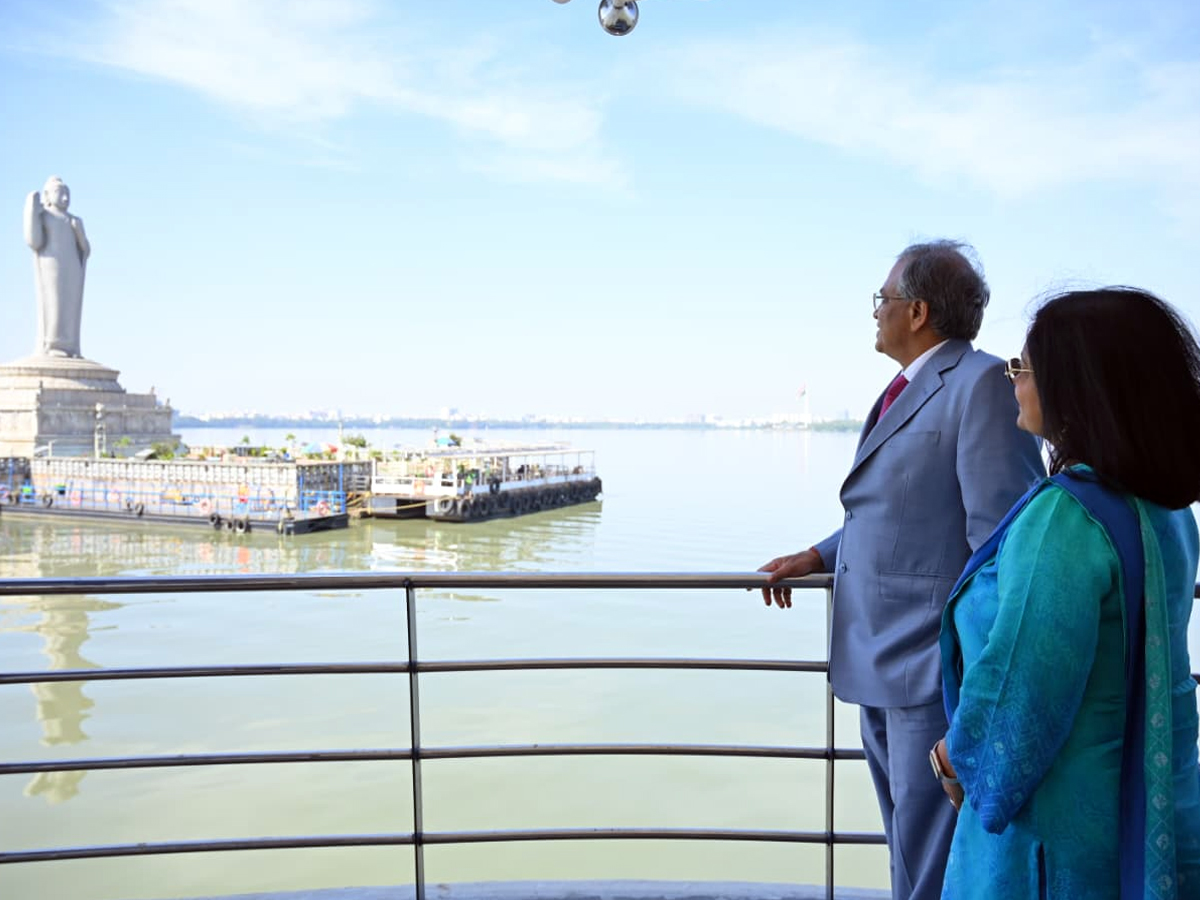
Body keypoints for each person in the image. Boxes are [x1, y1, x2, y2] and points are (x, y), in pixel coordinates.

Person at [758, 240, 1045, 900]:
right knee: (905, 847)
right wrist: (819, 556)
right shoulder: (907, 388)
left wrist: (977, 681)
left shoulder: (978, 386)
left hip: (931, 670)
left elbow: (1001, 542)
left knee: (933, 856)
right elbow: (897, 506)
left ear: (916, 311)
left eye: (881, 300)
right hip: (878, 657)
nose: (875, 313)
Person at [933, 288, 1200, 899]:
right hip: (1145, 804)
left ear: (1075, 387)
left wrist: (951, 759)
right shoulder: (1166, 509)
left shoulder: (1065, 519)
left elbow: (1019, 690)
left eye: (1022, 367)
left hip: (1058, 840)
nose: (1013, 381)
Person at [24, 175, 90, 358]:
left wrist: (79, 233)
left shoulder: (75, 221)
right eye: (60, 193)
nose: (65, 198)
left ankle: (70, 346)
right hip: (51, 265)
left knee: (70, 305)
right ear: (48, 194)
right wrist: (31, 210)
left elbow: (86, 249)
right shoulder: (45, 216)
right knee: (53, 302)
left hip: (72, 267)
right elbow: (34, 241)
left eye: (67, 194)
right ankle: (52, 343)